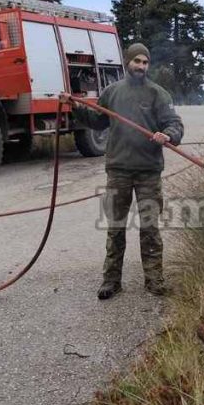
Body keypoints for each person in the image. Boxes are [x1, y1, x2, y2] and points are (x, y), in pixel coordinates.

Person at [69, 43, 184, 300]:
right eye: (137, 61)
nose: (141, 66)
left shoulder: (158, 94)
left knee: (150, 228)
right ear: (127, 62)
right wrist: (75, 107)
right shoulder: (112, 92)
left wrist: (168, 135)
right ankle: (111, 281)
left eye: (145, 62)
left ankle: (154, 280)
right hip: (118, 170)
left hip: (148, 172)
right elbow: (98, 120)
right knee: (116, 227)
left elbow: (175, 124)